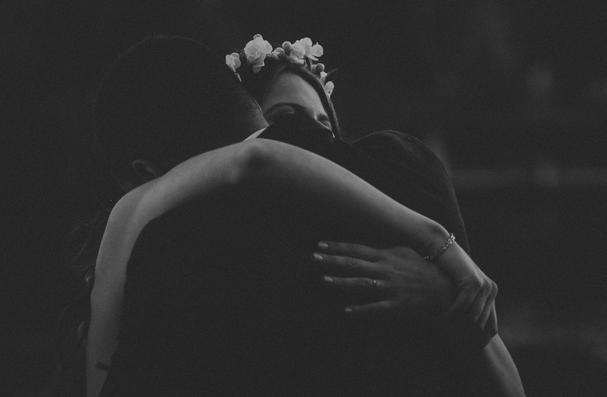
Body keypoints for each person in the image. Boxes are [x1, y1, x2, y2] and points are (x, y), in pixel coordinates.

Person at [87, 36, 522, 395]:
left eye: (321, 126)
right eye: (290, 121)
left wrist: (450, 290)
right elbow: (257, 157)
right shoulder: (406, 169)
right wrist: (439, 248)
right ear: (254, 113)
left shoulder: (153, 232)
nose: (312, 139)